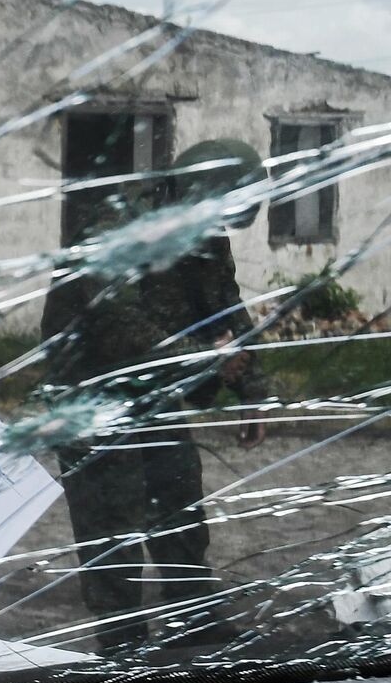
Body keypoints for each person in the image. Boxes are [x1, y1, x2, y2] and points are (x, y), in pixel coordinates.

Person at [41, 138, 272, 656]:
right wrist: (205, 357)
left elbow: (225, 305)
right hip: (91, 392)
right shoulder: (117, 228)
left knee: (177, 494)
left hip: (154, 387)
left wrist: (251, 386)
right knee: (112, 516)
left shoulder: (204, 233)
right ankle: (121, 640)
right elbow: (118, 326)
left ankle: (195, 619)